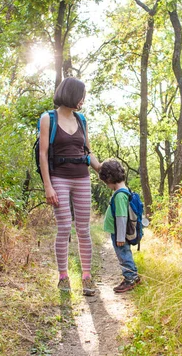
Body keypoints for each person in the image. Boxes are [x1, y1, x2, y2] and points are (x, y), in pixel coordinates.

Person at [38, 77, 101, 296]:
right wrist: (48, 185)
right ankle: (63, 277)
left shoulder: (82, 120)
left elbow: (88, 151)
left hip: (82, 177)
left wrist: (101, 169)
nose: (83, 100)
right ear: (71, 94)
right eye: (81, 95)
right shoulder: (48, 118)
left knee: (84, 229)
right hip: (59, 178)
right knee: (64, 227)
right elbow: (43, 153)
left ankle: (87, 278)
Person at [98, 159, 142, 293]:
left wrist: (121, 236)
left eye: (106, 182)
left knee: (123, 255)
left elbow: (121, 217)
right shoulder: (125, 190)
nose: (107, 185)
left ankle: (131, 278)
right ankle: (132, 276)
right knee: (124, 254)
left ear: (109, 178)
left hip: (119, 233)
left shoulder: (120, 195)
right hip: (118, 233)